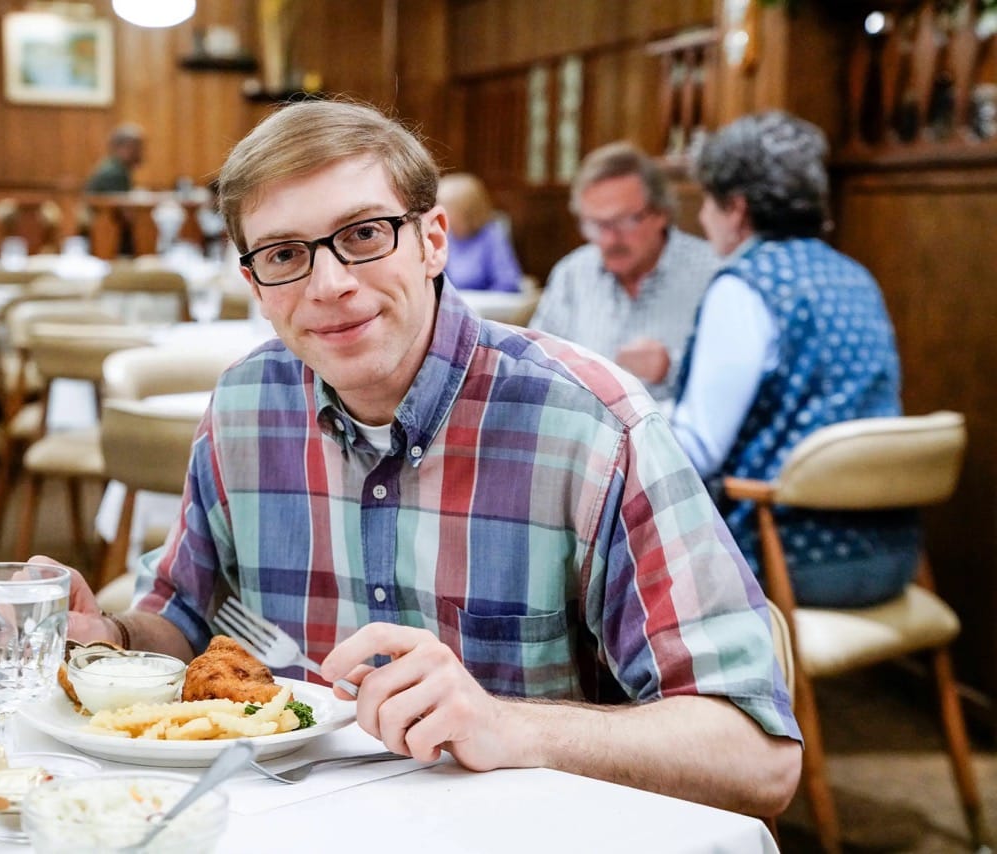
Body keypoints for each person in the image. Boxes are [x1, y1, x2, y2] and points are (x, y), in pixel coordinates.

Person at [49, 100, 801, 817]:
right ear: (255, 285)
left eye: (366, 234)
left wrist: (512, 727)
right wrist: (109, 640)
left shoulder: (593, 427)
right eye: (284, 254)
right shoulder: (243, 409)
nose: (330, 284)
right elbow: (179, 620)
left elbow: (757, 758)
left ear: (433, 239)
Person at [670, 110, 913, 608]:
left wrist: (627, 418)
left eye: (707, 203)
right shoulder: (852, 274)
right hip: (895, 550)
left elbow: (697, 448)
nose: (701, 218)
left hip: (789, 556)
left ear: (735, 208)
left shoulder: (746, 285)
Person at [529, 142, 718, 404]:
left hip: (674, 439)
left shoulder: (712, 274)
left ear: (661, 213)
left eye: (623, 222)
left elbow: (739, 386)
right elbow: (535, 365)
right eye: (596, 224)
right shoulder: (573, 274)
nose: (609, 240)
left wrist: (671, 369)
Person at [436, 172, 523, 292]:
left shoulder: (491, 235)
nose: (440, 214)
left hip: (485, 308)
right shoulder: (444, 236)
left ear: (466, 211)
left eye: (447, 208)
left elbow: (508, 282)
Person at [85, 123, 145, 193]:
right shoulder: (113, 173)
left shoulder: (117, 167)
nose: (140, 153)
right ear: (121, 148)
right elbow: (121, 202)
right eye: (136, 148)